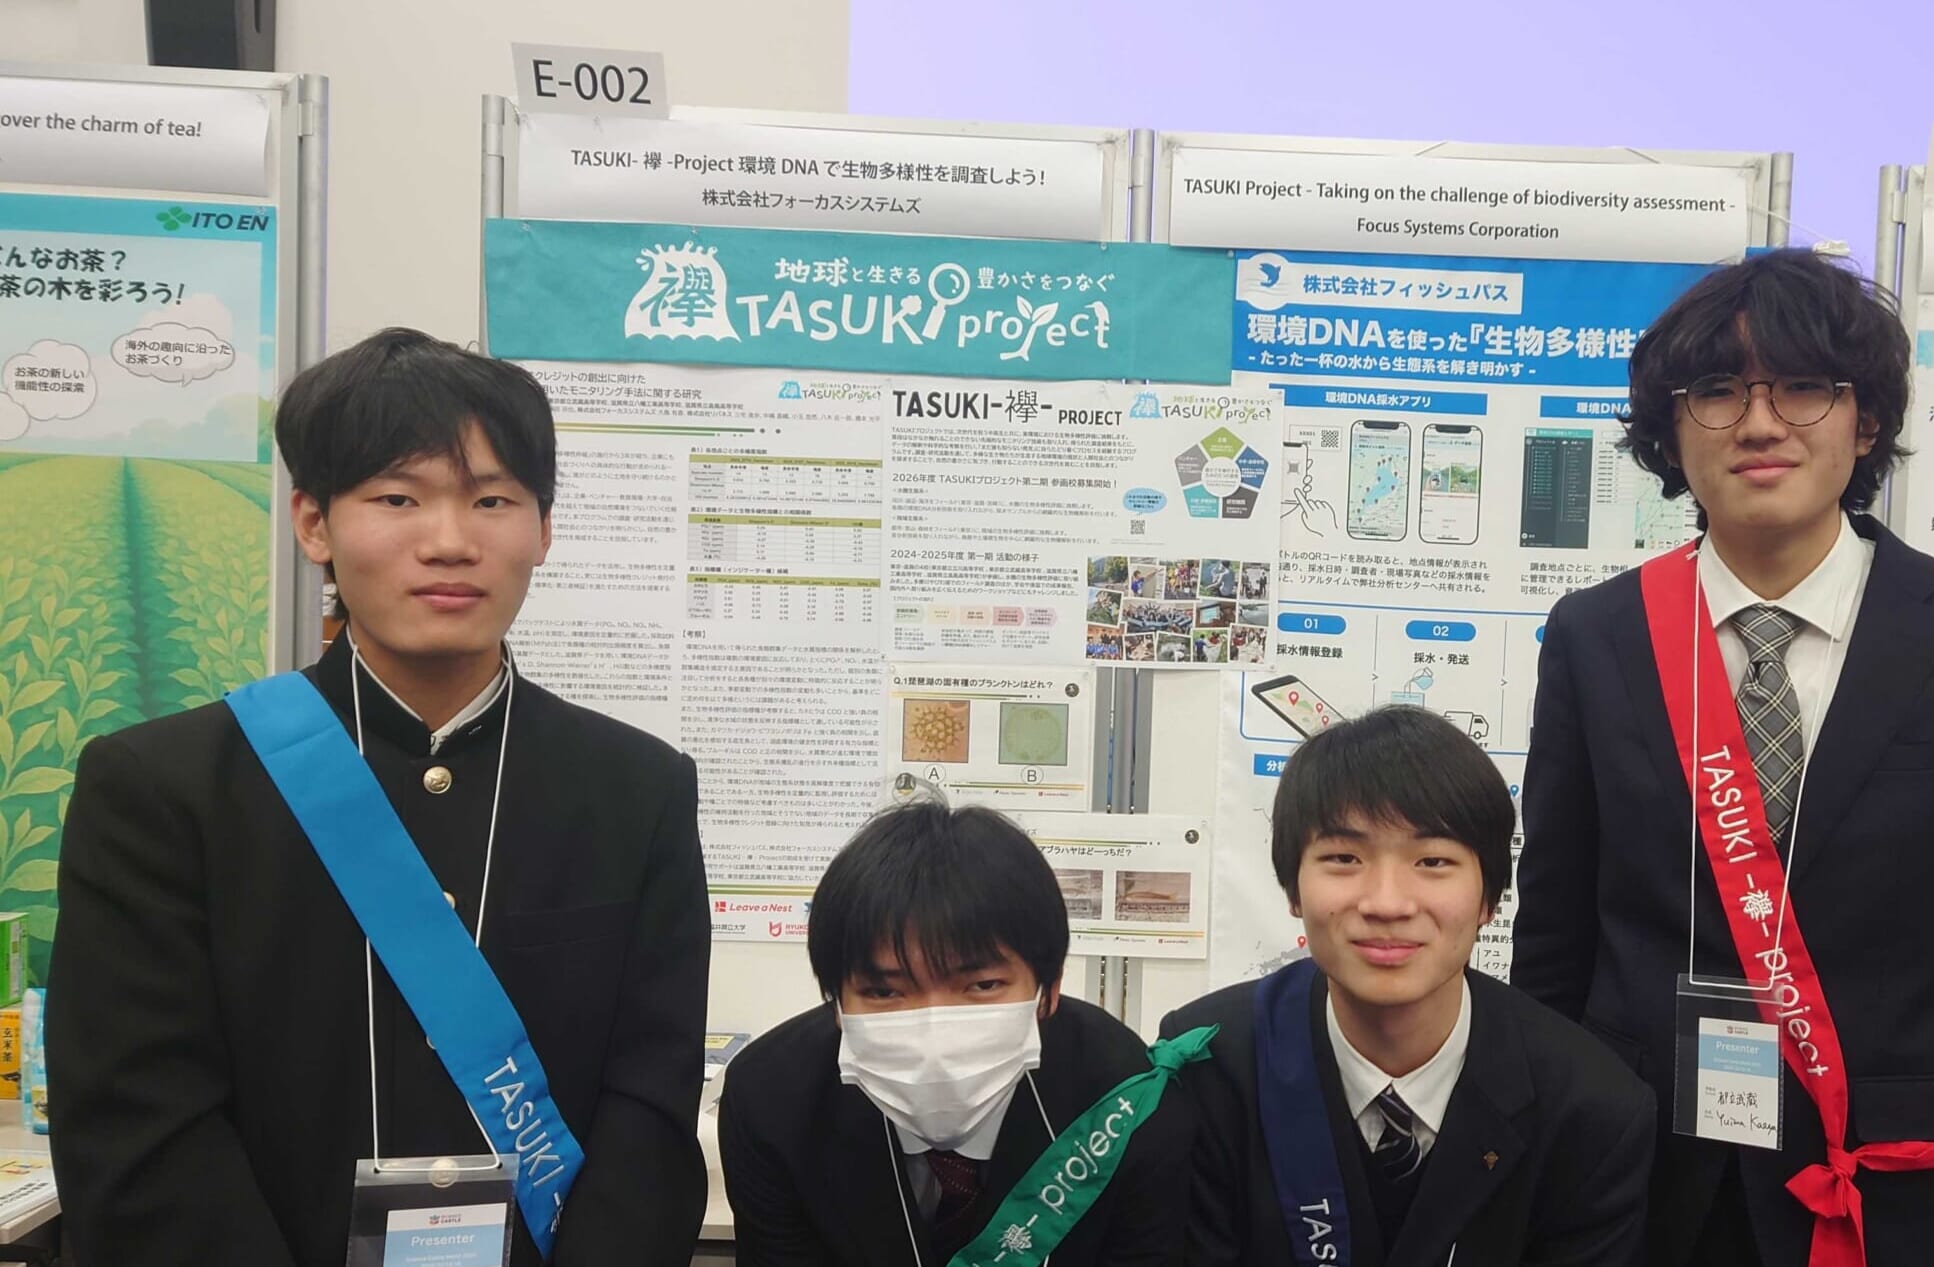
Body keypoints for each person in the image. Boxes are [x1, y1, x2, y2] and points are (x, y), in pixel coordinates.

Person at [48, 329, 711, 1264]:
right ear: (314, 523)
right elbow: (138, 1127)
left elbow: (650, 1107)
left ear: (543, 529)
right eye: (398, 498)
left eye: (492, 500)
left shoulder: (636, 788)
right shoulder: (163, 788)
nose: (450, 542)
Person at [1513, 250, 1934, 1267]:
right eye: (1717, 390)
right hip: (1638, 1183)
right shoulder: (1598, 636)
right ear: (1669, 431)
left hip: (1891, 1190)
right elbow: (1552, 953)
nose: (1759, 422)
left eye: (1803, 386)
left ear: (1864, 421)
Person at [1160, 706, 1655, 1267]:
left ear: (1489, 898)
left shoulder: (1591, 1109)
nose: (1388, 903)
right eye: (1344, 858)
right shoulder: (1210, 1069)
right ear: (1293, 889)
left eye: (1433, 861)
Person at [721, 800, 1199, 1266]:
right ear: (838, 1004)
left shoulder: (1123, 1100)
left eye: (982, 985)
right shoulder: (772, 1100)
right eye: (885, 992)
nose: (935, 1033)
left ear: (1048, 990)